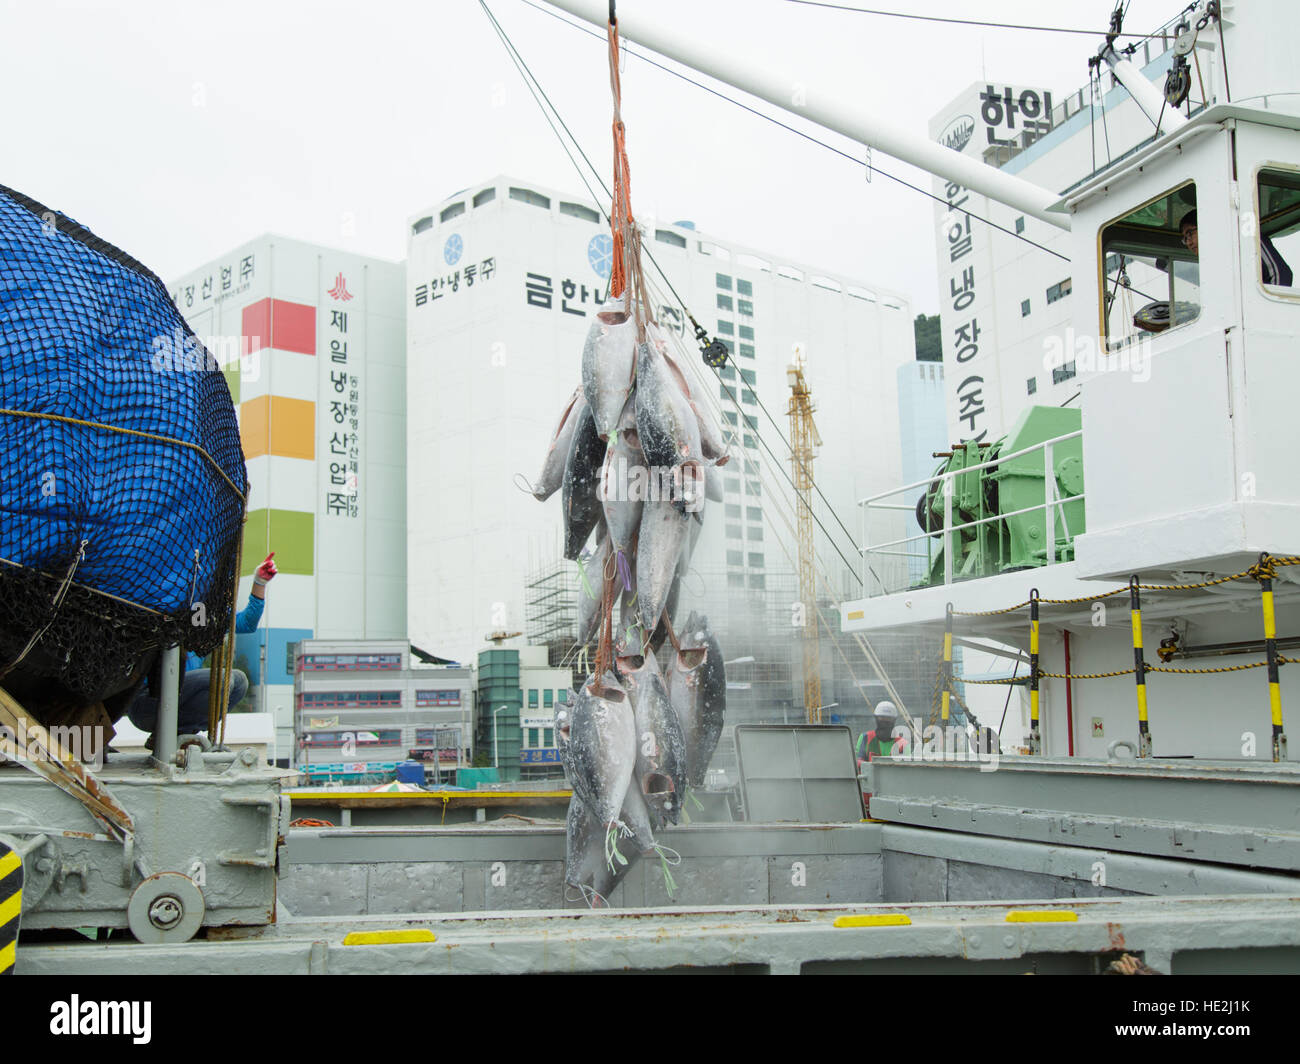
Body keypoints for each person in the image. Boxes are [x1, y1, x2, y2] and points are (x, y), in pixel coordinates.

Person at [128, 552, 278, 739]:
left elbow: (247, 623)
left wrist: (260, 582)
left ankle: (179, 734)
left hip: (177, 703)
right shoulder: (157, 600)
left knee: (238, 682)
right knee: (225, 679)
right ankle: (171, 736)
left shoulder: (203, 614)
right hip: (146, 702)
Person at [1180, 210, 1293, 286]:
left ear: (1206, 226)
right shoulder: (1212, 264)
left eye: (1190, 233)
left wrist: (1269, 313)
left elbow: (1280, 273)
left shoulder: (1246, 239)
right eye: (1185, 238)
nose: (1188, 242)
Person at [855, 701, 909, 768]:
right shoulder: (865, 738)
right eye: (882, 718)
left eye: (888, 719)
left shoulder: (902, 744)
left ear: (894, 720)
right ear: (876, 718)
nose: (885, 722)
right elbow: (858, 762)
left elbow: (906, 768)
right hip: (869, 778)